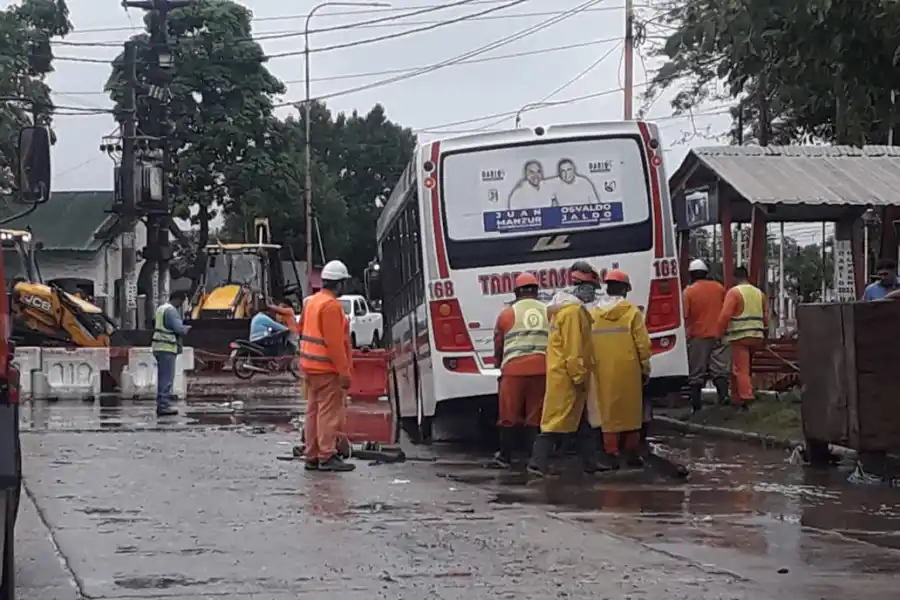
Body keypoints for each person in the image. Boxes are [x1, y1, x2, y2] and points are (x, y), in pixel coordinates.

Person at [527, 261, 600, 477]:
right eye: (591, 289)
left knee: (580, 422)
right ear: (580, 287)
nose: (593, 294)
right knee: (554, 423)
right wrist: (579, 376)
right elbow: (574, 348)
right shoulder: (573, 313)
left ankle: (590, 462)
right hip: (568, 376)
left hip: (563, 374)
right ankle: (537, 463)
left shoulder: (563, 309)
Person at [590, 269, 651, 469]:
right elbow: (643, 344)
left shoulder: (594, 313)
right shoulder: (632, 312)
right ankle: (631, 452)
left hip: (602, 368)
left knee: (607, 411)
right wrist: (645, 368)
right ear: (625, 289)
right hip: (629, 368)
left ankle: (611, 452)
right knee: (631, 410)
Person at [299, 259, 355, 472]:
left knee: (313, 411)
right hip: (326, 369)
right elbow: (334, 344)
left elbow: (302, 330)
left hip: (310, 367)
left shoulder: (311, 302)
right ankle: (326, 455)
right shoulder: (331, 306)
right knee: (327, 413)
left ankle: (312, 455)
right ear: (339, 284)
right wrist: (344, 372)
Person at [491, 273, 549, 468]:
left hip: (514, 370)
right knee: (536, 414)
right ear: (536, 291)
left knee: (509, 414)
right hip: (543, 368)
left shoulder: (506, 314)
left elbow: (499, 343)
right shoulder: (548, 311)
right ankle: (534, 457)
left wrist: (499, 363)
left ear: (516, 292)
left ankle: (505, 456)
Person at [682, 259, 730, 411]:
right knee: (719, 370)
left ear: (691, 274)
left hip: (699, 336)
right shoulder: (719, 288)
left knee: (697, 372)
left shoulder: (688, 292)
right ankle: (723, 400)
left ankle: (696, 407)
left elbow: (685, 315)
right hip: (719, 334)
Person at [717, 266, 768, 408]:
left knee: (740, 369)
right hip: (757, 336)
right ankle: (736, 396)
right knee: (739, 369)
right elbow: (766, 317)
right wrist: (766, 335)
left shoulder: (734, 293)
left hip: (740, 337)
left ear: (735, 278)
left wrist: (719, 333)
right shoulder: (759, 293)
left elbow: (725, 315)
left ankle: (746, 398)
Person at [151, 292, 191, 417]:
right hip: (166, 347)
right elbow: (178, 329)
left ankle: (163, 401)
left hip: (159, 347)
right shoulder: (171, 311)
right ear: (179, 300)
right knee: (167, 377)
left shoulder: (161, 309)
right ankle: (163, 405)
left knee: (163, 376)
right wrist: (186, 328)